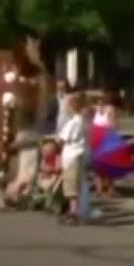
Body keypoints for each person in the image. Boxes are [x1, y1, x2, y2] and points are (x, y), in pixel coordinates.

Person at [57, 93, 93, 224]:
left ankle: (73, 212)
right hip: (80, 154)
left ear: (72, 107)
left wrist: (56, 143)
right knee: (76, 183)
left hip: (72, 155)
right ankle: (75, 211)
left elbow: (63, 139)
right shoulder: (83, 121)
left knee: (71, 185)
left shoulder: (73, 122)